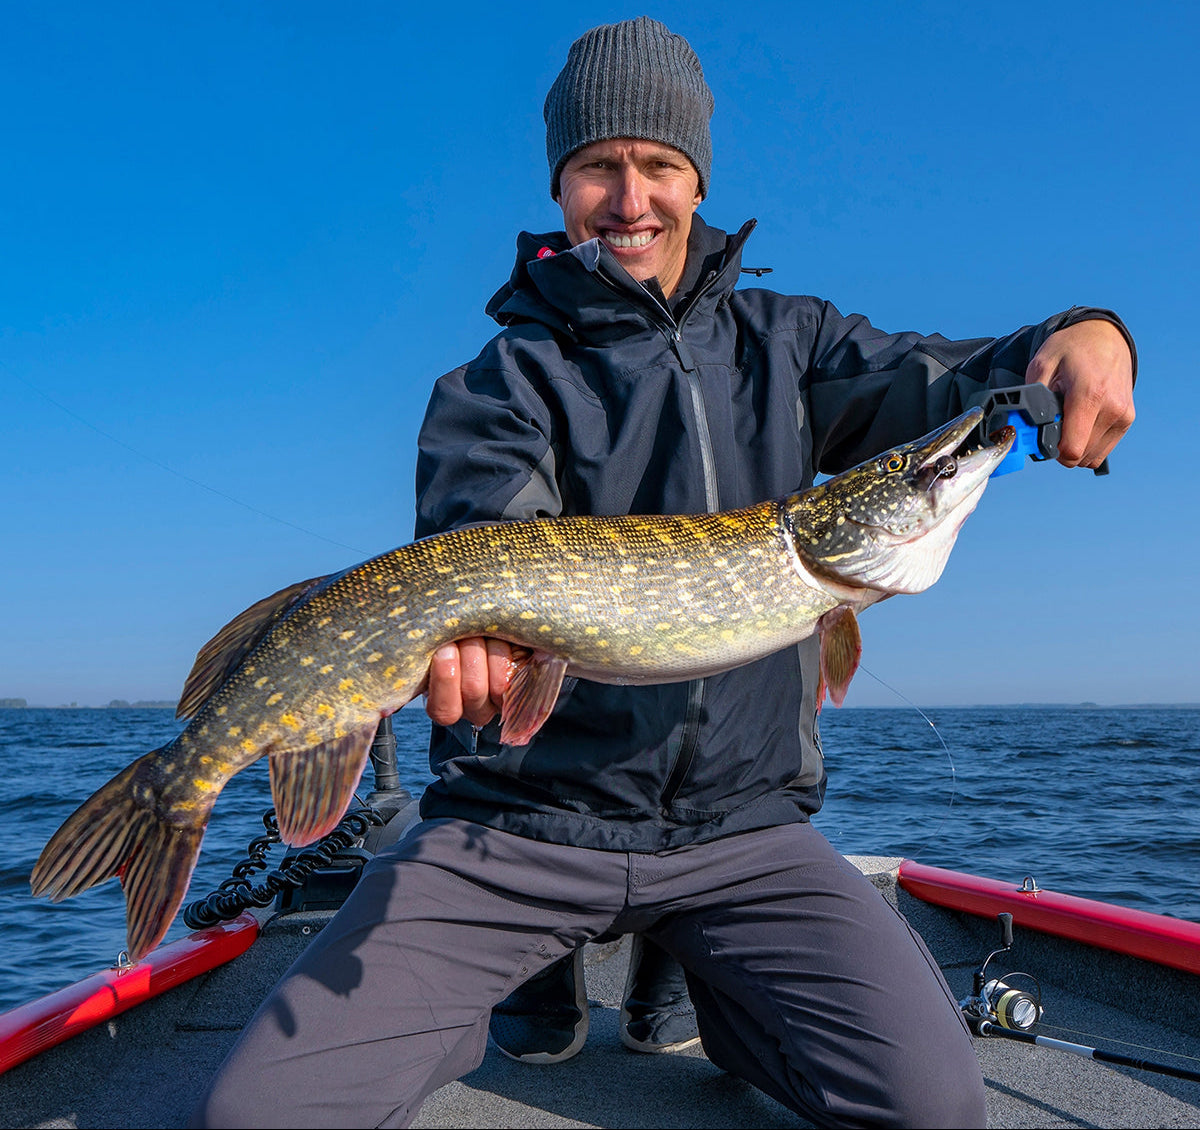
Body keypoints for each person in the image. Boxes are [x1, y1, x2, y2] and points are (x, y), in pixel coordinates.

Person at [193, 16, 1135, 1129]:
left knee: (936, 1113)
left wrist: (1085, 331)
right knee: (260, 1118)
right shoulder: (500, 382)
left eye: (658, 166)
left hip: (741, 833)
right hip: (519, 824)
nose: (629, 197)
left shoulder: (795, 343)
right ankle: (492, 987)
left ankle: (717, 985)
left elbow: (964, 383)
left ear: (697, 180)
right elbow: (486, 532)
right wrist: (481, 654)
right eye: (599, 166)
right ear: (560, 184)